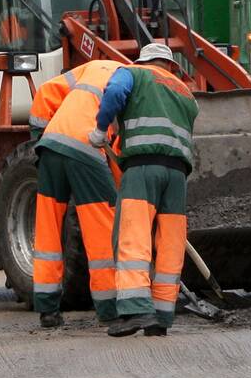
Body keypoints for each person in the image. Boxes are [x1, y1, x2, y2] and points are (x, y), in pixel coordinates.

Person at [89, 43, 199, 337]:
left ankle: (136, 310)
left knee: (132, 235)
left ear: (144, 61)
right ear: (170, 66)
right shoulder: (186, 93)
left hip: (142, 167)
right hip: (177, 173)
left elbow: (114, 94)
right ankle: (162, 315)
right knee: (170, 242)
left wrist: (101, 130)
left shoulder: (134, 73)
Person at [28, 59, 122, 329]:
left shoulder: (92, 68)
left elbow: (46, 92)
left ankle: (47, 309)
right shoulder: (133, 83)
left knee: (48, 229)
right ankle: (109, 308)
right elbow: (118, 149)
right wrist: (119, 193)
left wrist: (39, 137)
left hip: (51, 146)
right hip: (86, 149)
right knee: (102, 228)